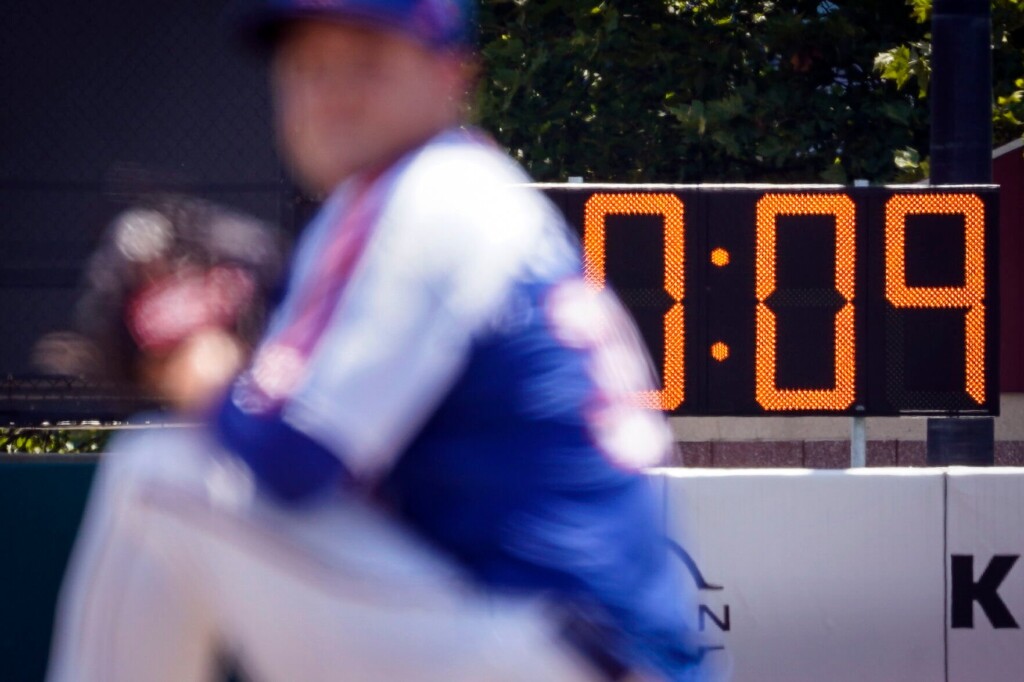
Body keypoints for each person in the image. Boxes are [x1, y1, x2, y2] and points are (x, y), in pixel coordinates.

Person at [48, 1, 704, 680]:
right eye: (306, 67)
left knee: (157, 473)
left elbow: (295, 463)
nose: (329, 94)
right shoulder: (439, 192)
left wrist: (201, 372)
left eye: (365, 63)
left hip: (548, 648)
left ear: (454, 76)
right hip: (549, 637)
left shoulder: (434, 197)